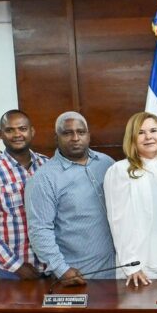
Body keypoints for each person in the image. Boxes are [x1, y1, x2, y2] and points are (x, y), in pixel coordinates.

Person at [25, 112, 115, 286]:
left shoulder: (107, 164)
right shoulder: (44, 178)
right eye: (67, 133)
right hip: (79, 275)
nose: (75, 138)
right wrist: (61, 269)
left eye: (81, 132)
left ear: (88, 135)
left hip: (120, 269)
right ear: (56, 138)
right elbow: (39, 229)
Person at [104, 113, 157, 285]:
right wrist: (131, 265)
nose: (149, 137)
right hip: (141, 266)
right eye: (141, 132)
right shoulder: (120, 171)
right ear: (131, 137)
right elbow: (118, 222)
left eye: (153, 130)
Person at [0, 109, 49, 280]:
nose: (17, 134)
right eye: (10, 130)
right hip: (12, 272)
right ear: (0, 135)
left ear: (32, 131)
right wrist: (17, 266)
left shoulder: (47, 165)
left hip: (52, 265)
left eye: (22, 129)